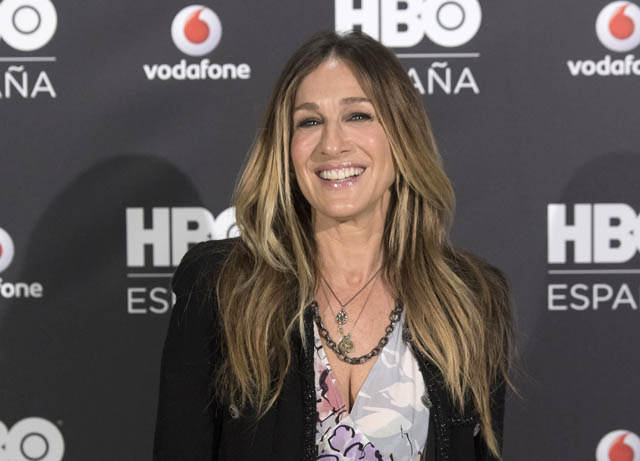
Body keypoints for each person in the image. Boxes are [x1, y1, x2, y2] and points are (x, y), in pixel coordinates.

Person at [152, 30, 515, 461]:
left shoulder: (470, 299)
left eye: (358, 116)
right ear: (286, 149)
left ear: (402, 136)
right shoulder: (224, 286)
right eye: (309, 122)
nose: (332, 144)